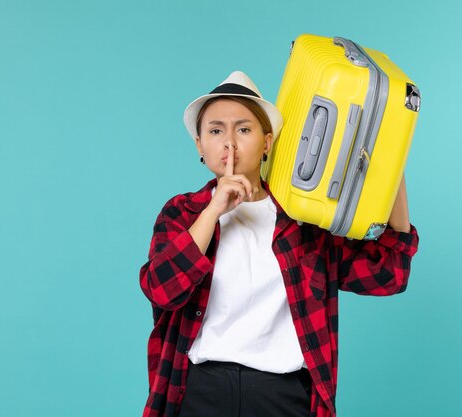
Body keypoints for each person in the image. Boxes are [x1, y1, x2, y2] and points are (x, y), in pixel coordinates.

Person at [139, 71, 419, 417]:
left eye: (243, 129)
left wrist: (393, 163)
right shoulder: (182, 214)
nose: (229, 143)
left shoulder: (304, 221)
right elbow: (161, 290)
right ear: (200, 145)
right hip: (200, 392)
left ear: (267, 141)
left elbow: (390, 274)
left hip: (282, 397)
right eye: (215, 130)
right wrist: (213, 211)